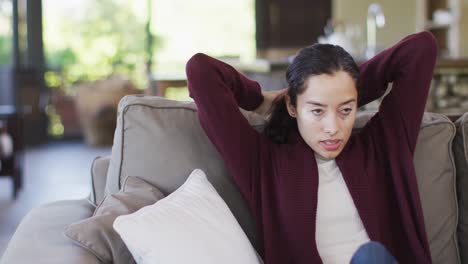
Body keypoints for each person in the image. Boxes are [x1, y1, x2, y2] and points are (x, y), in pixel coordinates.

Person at [186, 31, 437, 263]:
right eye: (317, 110)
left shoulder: (383, 146)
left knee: (370, 256)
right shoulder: (264, 165)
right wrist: (260, 100)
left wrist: (346, 86)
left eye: (346, 110)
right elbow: (200, 70)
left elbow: (420, 49)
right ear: (293, 107)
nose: (333, 127)